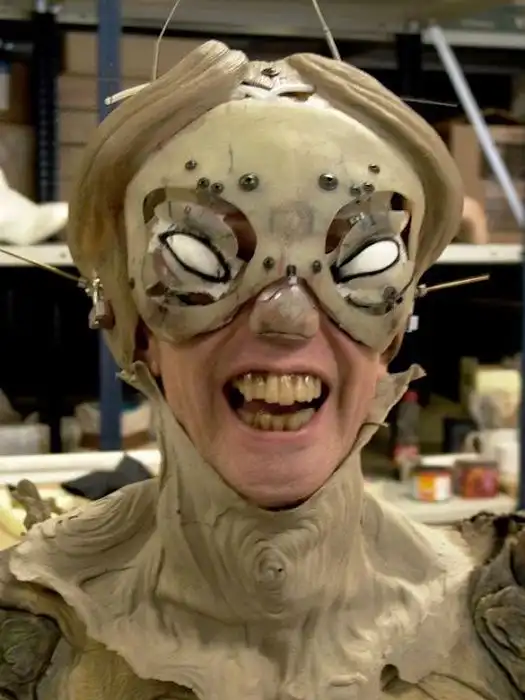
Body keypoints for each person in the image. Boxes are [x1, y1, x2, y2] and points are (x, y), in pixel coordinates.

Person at [0, 40, 523, 700]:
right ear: (129, 320)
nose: (288, 318)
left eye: (363, 263)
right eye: (198, 257)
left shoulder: (502, 624)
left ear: (397, 326)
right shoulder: (26, 627)